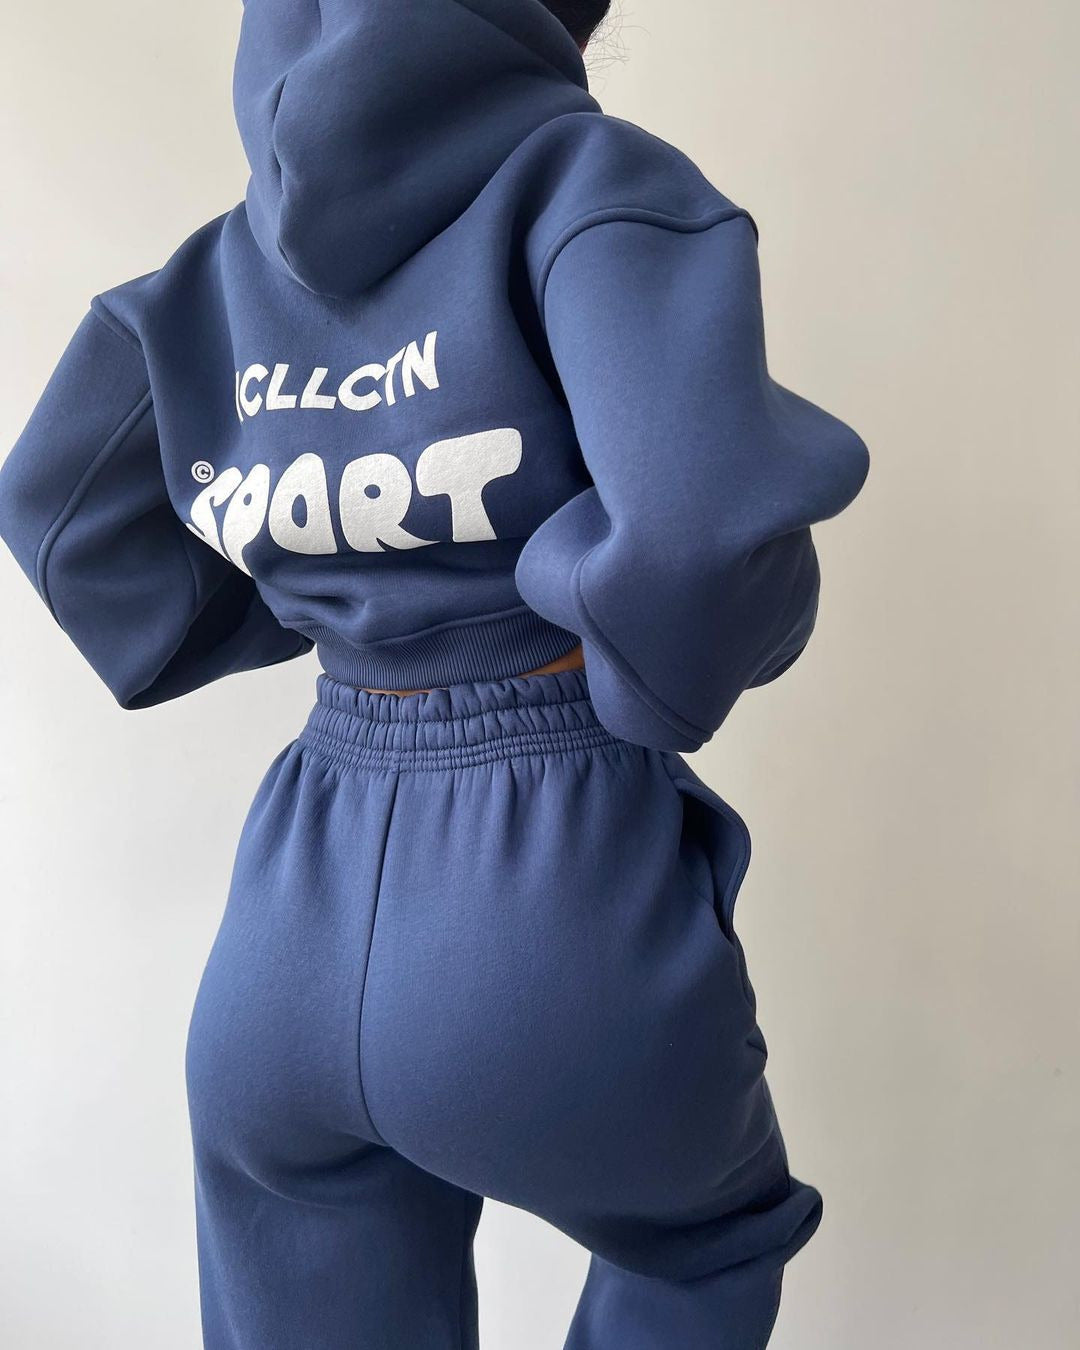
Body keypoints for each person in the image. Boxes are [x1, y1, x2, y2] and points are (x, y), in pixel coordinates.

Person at [0, 1, 869, 1346]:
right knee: (706, 1245)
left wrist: (323, 601)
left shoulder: (219, 267)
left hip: (286, 921)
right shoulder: (586, 189)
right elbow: (702, 526)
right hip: (550, 890)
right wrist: (626, 661)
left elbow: (58, 511)